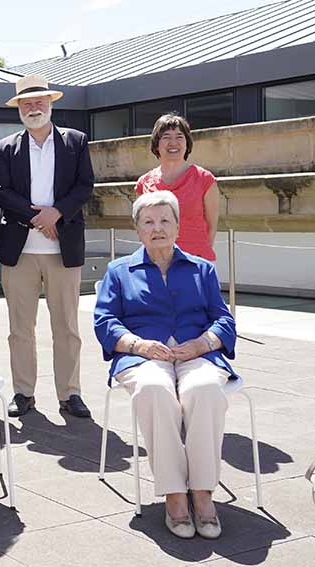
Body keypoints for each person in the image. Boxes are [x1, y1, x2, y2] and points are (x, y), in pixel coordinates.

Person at [94, 190, 236, 539]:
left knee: (204, 389)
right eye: (148, 222)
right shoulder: (119, 271)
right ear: (137, 230)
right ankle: (174, 494)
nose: (157, 228)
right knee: (154, 389)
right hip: (143, 356)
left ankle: (202, 493)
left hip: (197, 354)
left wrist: (202, 343)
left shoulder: (202, 269)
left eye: (164, 220)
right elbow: (104, 321)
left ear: (177, 226)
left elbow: (224, 320)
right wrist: (138, 345)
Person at [0, 74, 94, 418]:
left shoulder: (76, 142)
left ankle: (70, 394)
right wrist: (39, 218)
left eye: (39, 102)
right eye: (27, 103)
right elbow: (0, 192)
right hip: (20, 251)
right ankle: (23, 393)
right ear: (19, 108)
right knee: (20, 329)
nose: (33, 108)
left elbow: (85, 187)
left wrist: (57, 214)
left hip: (62, 250)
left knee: (66, 327)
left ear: (50, 104)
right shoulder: (6, 147)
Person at [136, 113, 220, 262]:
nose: (173, 142)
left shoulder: (205, 179)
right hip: (156, 263)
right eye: (166, 137)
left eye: (179, 137)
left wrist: (200, 261)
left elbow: (211, 226)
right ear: (156, 144)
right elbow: (142, 227)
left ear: (187, 143)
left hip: (195, 263)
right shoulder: (144, 183)